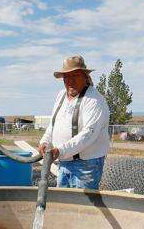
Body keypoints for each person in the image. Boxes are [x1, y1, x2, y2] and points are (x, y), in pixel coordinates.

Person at [38, 56, 110, 190]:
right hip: (64, 162)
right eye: (66, 76)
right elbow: (53, 125)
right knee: (65, 205)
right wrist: (45, 142)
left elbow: (88, 134)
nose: (70, 81)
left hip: (86, 166)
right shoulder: (61, 96)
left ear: (85, 76)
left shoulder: (94, 100)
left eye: (75, 75)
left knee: (82, 207)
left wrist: (60, 151)